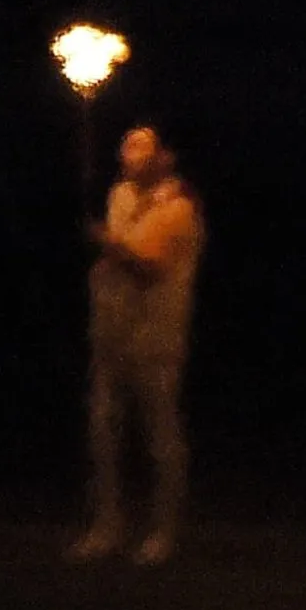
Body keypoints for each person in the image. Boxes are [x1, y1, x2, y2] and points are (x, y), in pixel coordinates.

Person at [68, 124, 205, 567]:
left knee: (158, 435)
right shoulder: (119, 195)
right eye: (127, 144)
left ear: (165, 156)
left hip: (156, 339)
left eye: (143, 145)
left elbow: (151, 265)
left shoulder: (180, 204)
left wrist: (108, 244)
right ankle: (107, 527)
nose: (131, 152)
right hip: (112, 336)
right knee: (104, 434)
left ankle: (162, 532)